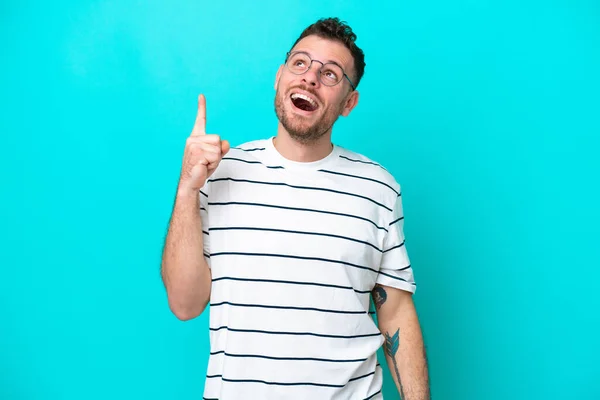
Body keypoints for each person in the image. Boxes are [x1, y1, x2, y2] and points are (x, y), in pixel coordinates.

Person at [161, 17, 430, 400]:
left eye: (330, 74)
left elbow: (396, 311)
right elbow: (185, 304)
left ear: (349, 103)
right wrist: (188, 190)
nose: (309, 78)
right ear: (279, 76)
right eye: (300, 63)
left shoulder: (378, 188)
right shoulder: (219, 174)